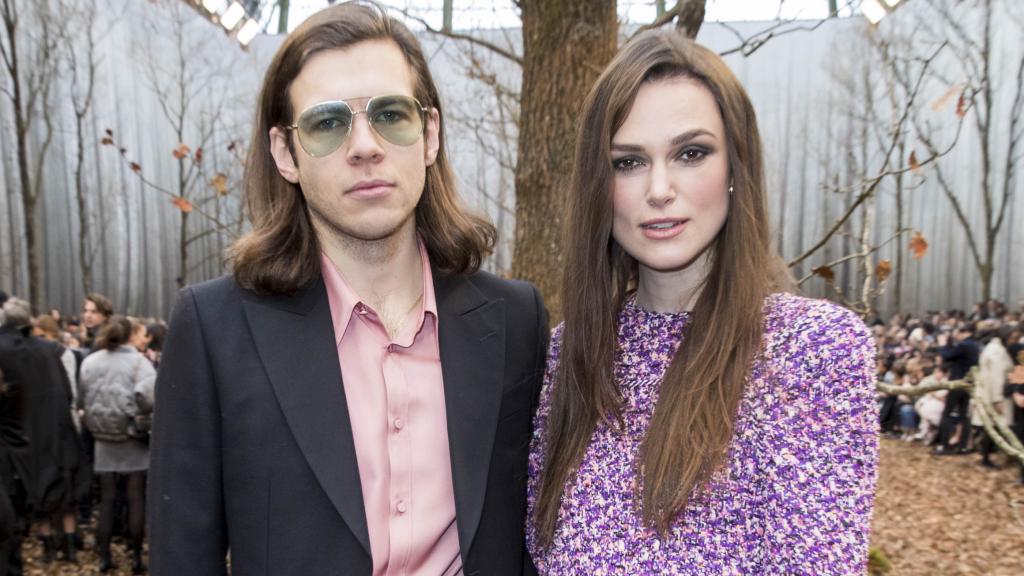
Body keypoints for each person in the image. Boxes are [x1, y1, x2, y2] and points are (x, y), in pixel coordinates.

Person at [148, 2, 549, 574]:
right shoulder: (215, 331)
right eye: (328, 122)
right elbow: (183, 556)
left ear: (429, 135)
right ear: (286, 153)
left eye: (391, 114)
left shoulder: (515, 319)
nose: (365, 145)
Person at [526, 30, 878, 574]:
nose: (659, 188)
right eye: (628, 162)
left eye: (691, 153)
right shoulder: (569, 353)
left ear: (736, 167)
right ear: (599, 186)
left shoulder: (813, 349)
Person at [79, 316, 156, 574]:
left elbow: (83, 397)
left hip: (103, 439)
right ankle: (135, 557)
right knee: (135, 499)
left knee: (108, 500)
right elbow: (148, 399)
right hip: (132, 439)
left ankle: (104, 557)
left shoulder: (90, 362)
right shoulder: (139, 364)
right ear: (129, 336)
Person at [934, 323, 980, 454]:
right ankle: (963, 446)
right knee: (963, 416)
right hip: (967, 384)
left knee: (947, 414)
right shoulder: (974, 345)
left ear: (963, 332)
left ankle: (945, 446)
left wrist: (942, 343)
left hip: (957, 383)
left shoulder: (964, 345)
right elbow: (954, 354)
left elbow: (946, 356)